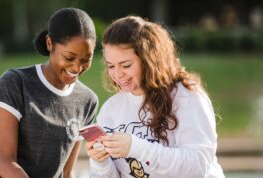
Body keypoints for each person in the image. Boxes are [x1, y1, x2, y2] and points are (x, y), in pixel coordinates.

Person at [85, 16, 225, 178]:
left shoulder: (187, 97)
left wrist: (136, 147)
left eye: (126, 65)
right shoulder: (111, 109)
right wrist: (100, 162)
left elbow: (197, 167)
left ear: (149, 60)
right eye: (111, 66)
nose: (117, 74)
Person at [0, 7, 98, 178]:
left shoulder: (87, 101)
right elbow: (5, 162)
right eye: (69, 58)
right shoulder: (15, 83)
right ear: (49, 43)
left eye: (85, 60)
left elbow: (66, 171)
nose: (77, 67)